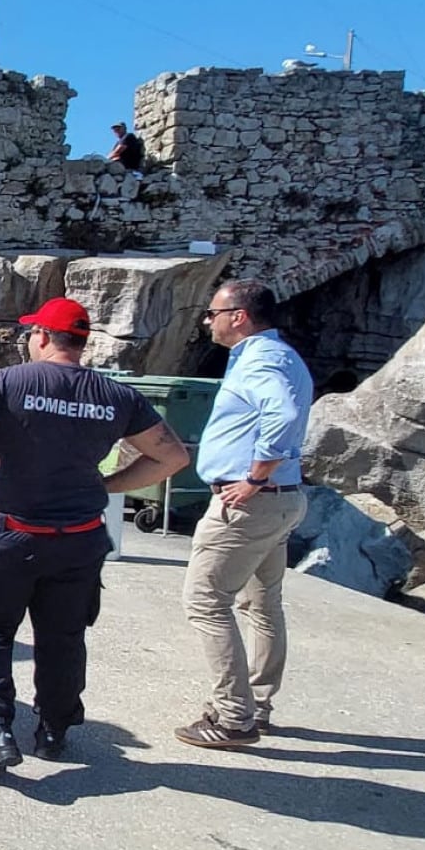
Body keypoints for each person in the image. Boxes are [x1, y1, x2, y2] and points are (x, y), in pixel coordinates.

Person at [0, 297, 190, 777]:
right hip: (77, 540)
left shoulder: (9, 381)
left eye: (32, 333)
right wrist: (107, 484)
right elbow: (173, 457)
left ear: (44, 338)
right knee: (62, 637)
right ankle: (53, 730)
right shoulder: (116, 396)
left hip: (7, 535)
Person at [175, 279, 313, 749]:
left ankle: (234, 717)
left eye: (213, 312)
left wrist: (255, 475)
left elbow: (284, 412)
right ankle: (259, 703)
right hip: (282, 498)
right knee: (262, 604)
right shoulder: (283, 357)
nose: (207, 321)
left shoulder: (261, 360)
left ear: (239, 315)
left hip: (250, 503)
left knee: (206, 601)